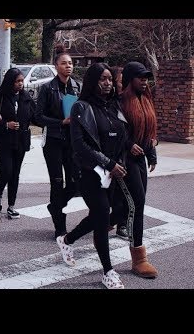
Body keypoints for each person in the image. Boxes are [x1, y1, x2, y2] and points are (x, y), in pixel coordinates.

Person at [56, 63, 128, 289]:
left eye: (109, 79)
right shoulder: (81, 107)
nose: (107, 83)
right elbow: (80, 145)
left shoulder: (115, 105)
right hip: (90, 172)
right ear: (92, 81)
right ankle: (108, 271)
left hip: (114, 171)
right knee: (101, 217)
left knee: (112, 213)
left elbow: (123, 137)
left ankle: (67, 239)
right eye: (102, 79)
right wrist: (108, 163)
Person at [115, 61, 159, 279]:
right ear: (130, 79)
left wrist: (152, 154)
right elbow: (112, 132)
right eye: (140, 77)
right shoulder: (120, 102)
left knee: (127, 207)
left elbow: (148, 133)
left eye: (146, 77)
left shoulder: (146, 100)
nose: (144, 81)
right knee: (137, 204)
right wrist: (127, 144)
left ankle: (94, 226)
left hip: (140, 160)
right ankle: (139, 258)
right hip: (123, 162)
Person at [35, 45, 81, 239]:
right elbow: (37, 117)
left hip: (73, 141)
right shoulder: (47, 88)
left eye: (70, 63)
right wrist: (60, 122)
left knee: (75, 182)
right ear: (56, 66)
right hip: (53, 140)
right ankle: (59, 226)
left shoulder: (78, 86)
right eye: (64, 63)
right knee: (57, 181)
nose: (68, 66)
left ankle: (54, 206)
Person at [0, 68, 37, 219]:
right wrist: (4, 124)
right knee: (7, 171)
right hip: (3, 141)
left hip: (20, 141)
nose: (20, 84)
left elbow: (34, 117)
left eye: (22, 81)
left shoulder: (25, 97)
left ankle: (11, 206)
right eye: (17, 81)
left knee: (15, 174)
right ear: (10, 81)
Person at [108, 66, 129, 239]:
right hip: (114, 154)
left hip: (129, 155)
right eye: (122, 81)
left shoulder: (132, 99)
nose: (125, 84)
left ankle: (120, 223)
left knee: (125, 193)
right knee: (114, 192)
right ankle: (111, 220)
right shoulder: (111, 103)